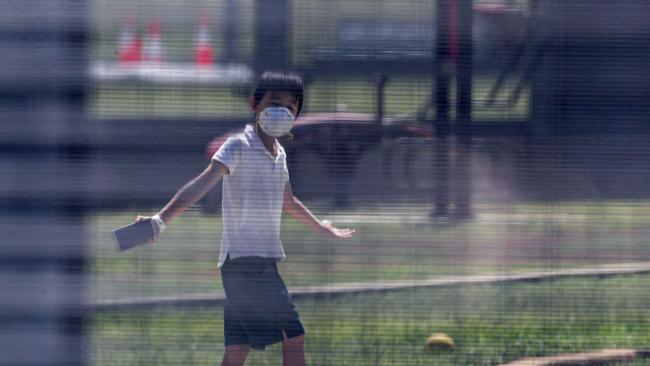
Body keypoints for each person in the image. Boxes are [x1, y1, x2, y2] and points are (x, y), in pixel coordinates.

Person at [136, 71, 355, 366]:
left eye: (290, 107)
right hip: (246, 265)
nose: (282, 111)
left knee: (237, 349)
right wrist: (158, 221)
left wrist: (322, 227)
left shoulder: (280, 154)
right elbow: (202, 184)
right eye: (274, 102)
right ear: (254, 103)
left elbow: (287, 200)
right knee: (294, 336)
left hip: (260, 263)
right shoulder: (238, 145)